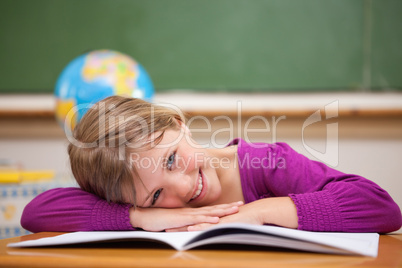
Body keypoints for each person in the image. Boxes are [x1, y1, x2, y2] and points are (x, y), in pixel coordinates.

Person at [21, 96, 402, 233]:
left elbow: (380, 207)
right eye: (157, 195)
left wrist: (260, 212)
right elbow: (37, 213)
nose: (184, 189)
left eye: (172, 159)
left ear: (179, 123)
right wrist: (141, 217)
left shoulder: (266, 163)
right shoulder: (136, 203)